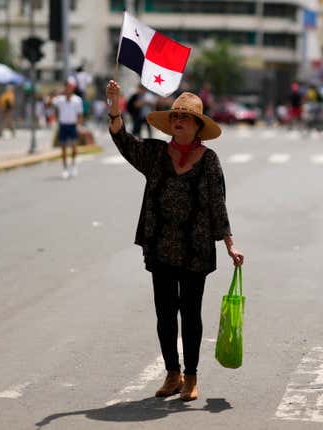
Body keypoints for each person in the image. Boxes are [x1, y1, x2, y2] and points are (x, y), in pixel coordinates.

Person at [106, 79, 245, 402]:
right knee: (165, 313)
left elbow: (217, 204)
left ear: (197, 126)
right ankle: (172, 373)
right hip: (161, 246)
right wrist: (115, 105)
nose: (178, 122)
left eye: (185, 119)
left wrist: (229, 244)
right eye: (175, 118)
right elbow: (122, 139)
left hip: (195, 249)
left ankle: (191, 377)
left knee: (190, 313)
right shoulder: (154, 154)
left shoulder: (209, 161)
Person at [52, 78, 83, 179]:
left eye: (71, 87)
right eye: (67, 87)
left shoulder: (77, 100)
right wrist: (57, 94)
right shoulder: (60, 99)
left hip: (73, 125)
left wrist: (80, 126)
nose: (69, 89)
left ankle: (73, 165)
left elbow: (80, 114)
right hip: (63, 125)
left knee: (74, 147)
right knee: (63, 148)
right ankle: (65, 169)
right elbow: (48, 103)